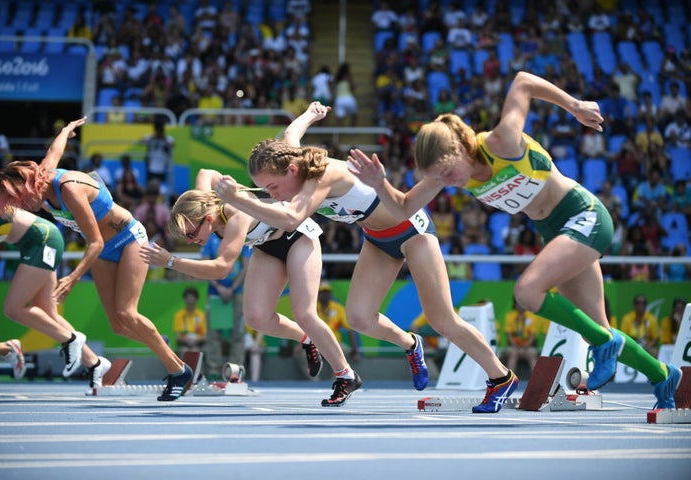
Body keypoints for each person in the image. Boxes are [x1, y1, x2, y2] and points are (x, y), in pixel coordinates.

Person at [347, 71, 682, 409]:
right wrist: (379, 184)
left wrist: (575, 105)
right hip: (555, 230)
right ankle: (663, 376)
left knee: (527, 291)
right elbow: (403, 207)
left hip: (584, 215)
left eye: (447, 174)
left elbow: (523, 81)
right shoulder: (451, 173)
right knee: (595, 328)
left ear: (462, 147)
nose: (446, 183)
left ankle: (605, 344)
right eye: (439, 178)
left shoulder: (503, 142)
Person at [214, 102, 517, 413]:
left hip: (413, 231)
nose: (272, 194)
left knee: (442, 319)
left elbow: (291, 219)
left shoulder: (321, 178)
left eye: (272, 187)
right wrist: (311, 113)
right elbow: (291, 132)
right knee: (359, 318)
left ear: (292, 171)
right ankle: (411, 344)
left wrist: (238, 199)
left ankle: (500, 377)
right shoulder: (290, 157)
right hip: (377, 238)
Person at [0, 118, 192, 402]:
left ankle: (178, 371)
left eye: (21, 197)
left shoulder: (69, 189)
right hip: (105, 250)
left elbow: (95, 241)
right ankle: (159, 343)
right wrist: (64, 131)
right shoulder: (41, 176)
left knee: (127, 314)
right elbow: (55, 150)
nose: (22, 205)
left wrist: (73, 278)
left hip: (128, 239)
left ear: (32, 183)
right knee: (118, 325)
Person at [139, 168, 362, 406]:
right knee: (256, 318)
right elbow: (205, 172)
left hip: (296, 238)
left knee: (305, 313)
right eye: (187, 237)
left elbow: (221, 268)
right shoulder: (200, 202)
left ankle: (346, 375)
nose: (192, 241)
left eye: (192, 234)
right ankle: (307, 339)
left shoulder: (235, 214)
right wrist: (224, 180)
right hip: (266, 246)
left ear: (209, 219)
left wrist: (171, 262)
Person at [0, 192, 111, 390]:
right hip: (35, 244)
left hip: (43, 239)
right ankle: (95, 363)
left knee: (13, 308)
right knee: (47, 312)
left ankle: (71, 339)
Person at [202, 233, 250, 379]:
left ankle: (235, 371)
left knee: (238, 334)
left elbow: (246, 266)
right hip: (215, 292)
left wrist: (233, 288)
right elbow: (205, 265)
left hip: (237, 293)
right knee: (213, 335)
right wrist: (219, 287)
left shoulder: (242, 237)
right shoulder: (210, 238)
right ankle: (214, 371)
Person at [501, 297, 539, 377]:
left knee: (532, 353)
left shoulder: (532, 317)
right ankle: (509, 380)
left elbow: (532, 336)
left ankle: (536, 379)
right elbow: (509, 335)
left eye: (523, 303)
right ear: (515, 303)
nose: (521, 305)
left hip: (528, 347)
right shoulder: (510, 316)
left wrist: (524, 347)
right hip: (513, 346)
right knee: (513, 353)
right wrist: (516, 347)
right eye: (519, 303)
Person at [620, 294, 660, 358]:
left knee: (655, 352)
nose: (640, 306)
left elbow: (655, 338)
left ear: (646, 306)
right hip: (632, 346)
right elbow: (623, 336)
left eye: (643, 303)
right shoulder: (627, 318)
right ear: (634, 305)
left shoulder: (651, 318)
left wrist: (647, 347)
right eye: (638, 303)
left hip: (647, 347)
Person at [172, 286, 207, 357]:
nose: (190, 299)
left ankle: (195, 368)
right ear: (185, 299)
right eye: (188, 297)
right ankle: (184, 368)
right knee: (185, 351)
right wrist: (187, 341)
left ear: (196, 299)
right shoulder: (179, 315)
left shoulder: (201, 315)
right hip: (184, 344)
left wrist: (195, 341)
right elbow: (178, 336)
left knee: (195, 351)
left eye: (192, 297)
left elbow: (204, 336)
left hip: (198, 343)